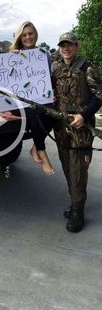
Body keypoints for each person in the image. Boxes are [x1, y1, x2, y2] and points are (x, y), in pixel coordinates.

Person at [52, 32, 102, 232]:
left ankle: (78, 211)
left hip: (80, 127)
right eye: (63, 45)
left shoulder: (87, 67)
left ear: (77, 46)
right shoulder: (56, 67)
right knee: (66, 165)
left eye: (70, 45)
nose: (66, 48)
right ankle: (75, 203)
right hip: (60, 126)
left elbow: (99, 97)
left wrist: (84, 115)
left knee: (78, 169)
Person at [10, 21, 55, 175]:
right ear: (20, 38)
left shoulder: (44, 54)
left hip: (40, 99)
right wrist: (13, 59)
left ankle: (35, 147)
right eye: (24, 35)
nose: (28, 37)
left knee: (54, 112)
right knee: (38, 111)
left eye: (30, 33)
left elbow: (49, 78)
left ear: (35, 35)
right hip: (18, 104)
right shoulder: (13, 54)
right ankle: (42, 152)